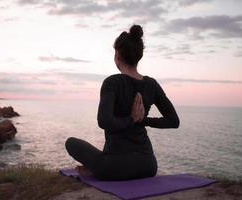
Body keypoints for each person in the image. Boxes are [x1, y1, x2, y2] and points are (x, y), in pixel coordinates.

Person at [65, 24, 180, 181]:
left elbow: (104, 121)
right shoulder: (151, 84)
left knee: (71, 143)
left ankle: (94, 169)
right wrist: (143, 120)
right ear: (138, 56)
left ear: (117, 55)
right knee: (102, 154)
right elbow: (173, 121)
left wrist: (133, 118)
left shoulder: (112, 82)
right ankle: (97, 167)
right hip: (148, 165)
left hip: (115, 167)